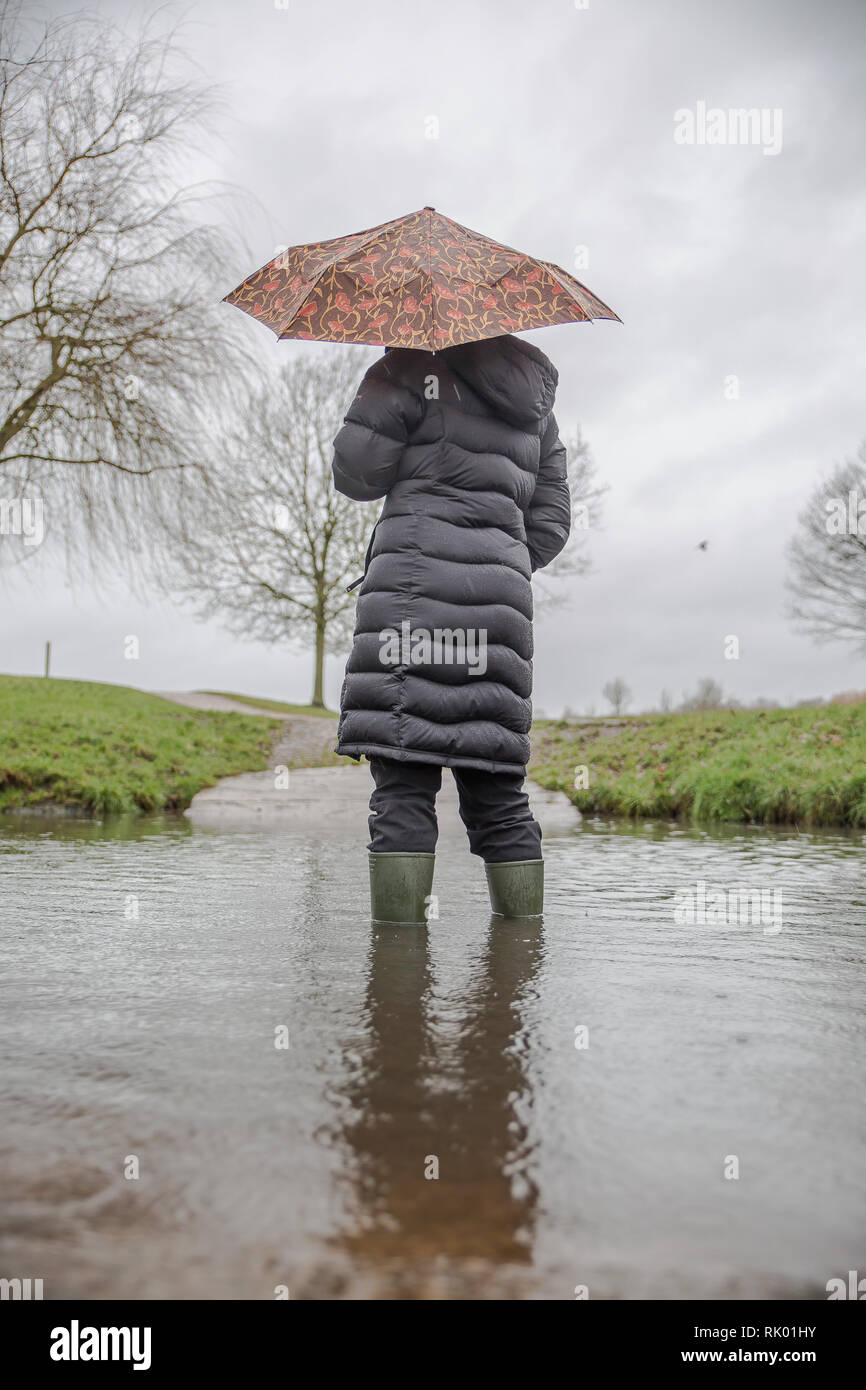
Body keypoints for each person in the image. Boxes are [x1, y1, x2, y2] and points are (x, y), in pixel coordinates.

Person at [331, 333, 570, 924]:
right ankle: (519, 967)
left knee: (404, 785)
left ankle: (396, 972)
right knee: (498, 794)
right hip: (499, 612)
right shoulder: (537, 407)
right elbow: (553, 523)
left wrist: (385, 378)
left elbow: (358, 474)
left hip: (409, 605)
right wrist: (497, 564)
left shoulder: (409, 366)